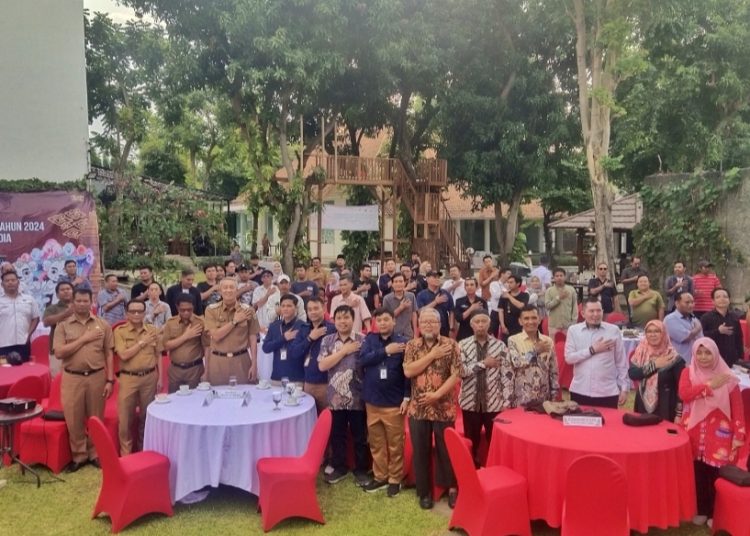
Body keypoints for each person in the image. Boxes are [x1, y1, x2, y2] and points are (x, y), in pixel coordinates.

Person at [679, 338, 747, 525]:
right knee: (697, 471)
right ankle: (701, 509)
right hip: (693, 431)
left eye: (707, 352)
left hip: (720, 434)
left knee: (717, 472)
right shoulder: (688, 372)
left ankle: (715, 512)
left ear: (715, 354)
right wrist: (709, 386)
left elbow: (737, 408)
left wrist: (739, 435)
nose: (703, 357)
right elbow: (684, 394)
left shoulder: (728, 377)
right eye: (699, 353)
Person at [403, 308, 461, 510]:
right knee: (421, 451)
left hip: (443, 407)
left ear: (439, 324)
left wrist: (437, 395)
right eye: (424, 321)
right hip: (418, 409)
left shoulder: (451, 345)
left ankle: (451, 488)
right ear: (418, 325)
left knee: (447, 450)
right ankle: (424, 491)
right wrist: (433, 355)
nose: (428, 325)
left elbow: (456, 375)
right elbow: (409, 371)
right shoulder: (412, 345)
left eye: (432, 322)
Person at [53, 288, 115, 472]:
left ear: (91, 301)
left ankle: (95, 453)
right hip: (72, 377)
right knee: (74, 418)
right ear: (72, 302)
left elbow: (109, 354)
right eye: (78, 301)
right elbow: (59, 352)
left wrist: (110, 380)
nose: (81, 304)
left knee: (96, 417)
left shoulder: (102, 325)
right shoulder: (63, 325)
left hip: (96, 376)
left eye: (85, 301)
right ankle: (79, 455)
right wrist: (84, 339)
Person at [359, 308, 409, 496]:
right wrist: (385, 351)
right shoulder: (370, 340)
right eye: (379, 320)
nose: (382, 323)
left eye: (386, 319)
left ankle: (395, 479)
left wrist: (407, 397)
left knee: (395, 443)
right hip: (372, 401)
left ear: (394, 321)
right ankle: (380, 476)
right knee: (376, 442)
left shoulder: (403, 343)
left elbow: (408, 374)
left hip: (394, 402)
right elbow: (362, 360)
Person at [318, 305, 369, 485]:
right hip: (335, 397)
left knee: (359, 435)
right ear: (334, 320)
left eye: (346, 317)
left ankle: (362, 469)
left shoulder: (363, 340)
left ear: (353, 319)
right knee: (337, 433)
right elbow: (323, 365)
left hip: (358, 396)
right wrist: (344, 351)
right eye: (339, 318)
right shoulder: (327, 341)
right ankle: (339, 466)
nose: (342, 321)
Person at [458, 310, 512, 467]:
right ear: (471, 324)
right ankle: (471, 471)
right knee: (470, 441)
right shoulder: (463, 345)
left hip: (494, 404)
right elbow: (461, 372)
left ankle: (495, 469)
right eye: (477, 322)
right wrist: (483, 364)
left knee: (494, 441)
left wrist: (505, 401)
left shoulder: (500, 345)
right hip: (470, 403)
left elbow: (506, 374)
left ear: (489, 324)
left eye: (484, 321)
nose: (480, 325)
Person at [114, 299, 163, 455]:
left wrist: (160, 377)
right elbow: (123, 355)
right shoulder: (120, 331)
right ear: (127, 313)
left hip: (149, 377)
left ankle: (144, 450)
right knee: (125, 419)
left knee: (146, 416)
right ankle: (126, 454)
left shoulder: (152, 330)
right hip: (128, 378)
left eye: (140, 311)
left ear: (144, 313)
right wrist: (142, 342)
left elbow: (159, 355)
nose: (136, 314)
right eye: (133, 311)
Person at [564, 297, 629, 408]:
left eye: (598, 311)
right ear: (583, 313)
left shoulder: (613, 330)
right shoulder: (573, 330)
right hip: (580, 390)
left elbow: (621, 362)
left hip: (607, 392)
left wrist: (624, 388)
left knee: (609, 424)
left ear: (603, 312)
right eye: (591, 311)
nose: (595, 314)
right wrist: (592, 350)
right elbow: (569, 358)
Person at [204, 278, 260, 385]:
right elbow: (215, 336)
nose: (228, 290)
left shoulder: (248, 310)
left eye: (231, 287)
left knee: (244, 395)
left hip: (241, 361)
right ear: (220, 291)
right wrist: (235, 321)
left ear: (237, 290)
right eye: (225, 288)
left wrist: (254, 364)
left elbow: (252, 338)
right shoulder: (211, 310)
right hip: (218, 362)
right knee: (218, 398)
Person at [627, 320, 685, 422]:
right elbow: (633, 374)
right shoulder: (641, 352)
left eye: (657, 331)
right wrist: (654, 365)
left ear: (663, 333)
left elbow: (681, 389)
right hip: (642, 405)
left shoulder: (674, 358)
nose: (652, 335)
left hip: (666, 407)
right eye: (649, 331)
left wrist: (679, 414)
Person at [289, 297, 336, 413]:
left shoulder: (332, 329)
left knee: (328, 420)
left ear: (324, 309)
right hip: (308, 383)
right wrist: (310, 338)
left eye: (316, 308)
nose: (313, 312)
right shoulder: (304, 329)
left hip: (327, 383)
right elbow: (294, 352)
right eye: (310, 309)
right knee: (310, 419)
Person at [509, 305, 559, 406]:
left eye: (534, 318)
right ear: (520, 321)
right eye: (526, 318)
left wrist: (554, 395)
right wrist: (535, 351)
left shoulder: (548, 341)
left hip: (544, 399)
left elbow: (554, 371)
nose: (531, 322)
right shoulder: (513, 340)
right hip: (522, 398)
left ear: (539, 320)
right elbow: (517, 363)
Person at [162, 295, 207, 393]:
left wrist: (207, 370)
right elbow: (165, 346)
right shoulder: (171, 323)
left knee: (194, 401)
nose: (186, 312)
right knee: (174, 401)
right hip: (175, 369)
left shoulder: (200, 322)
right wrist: (186, 336)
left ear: (193, 307)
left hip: (195, 369)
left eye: (189, 309)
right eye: (183, 310)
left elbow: (207, 347)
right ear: (177, 307)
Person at [262, 294, 306, 384]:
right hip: (277, 376)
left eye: (289, 306)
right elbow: (265, 348)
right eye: (283, 306)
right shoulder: (274, 325)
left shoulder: (302, 326)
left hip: (296, 378)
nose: (285, 309)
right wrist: (283, 338)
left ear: (296, 308)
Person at [0, 271, 40, 362]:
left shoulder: (29, 299)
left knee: (23, 370)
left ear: (18, 282)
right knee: (4, 372)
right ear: (2, 284)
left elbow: (36, 318)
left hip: (23, 343)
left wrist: (28, 335)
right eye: (7, 280)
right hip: (3, 344)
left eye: (13, 280)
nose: (10, 282)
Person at [700, 288, 744, 367]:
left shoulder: (734, 317)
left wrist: (741, 357)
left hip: (732, 359)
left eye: (725, 296)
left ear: (729, 300)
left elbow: (739, 338)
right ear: (713, 301)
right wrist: (718, 331)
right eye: (718, 297)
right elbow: (701, 337)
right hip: (713, 359)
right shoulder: (706, 317)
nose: (722, 299)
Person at [43, 281, 75, 377]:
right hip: (57, 351)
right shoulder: (52, 308)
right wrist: (66, 314)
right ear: (57, 295)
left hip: (78, 349)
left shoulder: (81, 306)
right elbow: (46, 322)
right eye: (62, 290)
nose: (66, 291)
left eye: (68, 289)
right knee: (57, 379)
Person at [252, 270, 278, 382]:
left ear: (272, 278)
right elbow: (257, 305)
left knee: (273, 354)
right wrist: (267, 294)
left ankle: (272, 376)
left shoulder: (277, 289)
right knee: (262, 352)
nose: (266, 278)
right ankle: (262, 377)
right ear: (261, 279)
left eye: (269, 276)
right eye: (264, 276)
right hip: (261, 325)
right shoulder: (258, 290)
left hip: (274, 325)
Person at [664, 292, 703, 364]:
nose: (691, 305)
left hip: (696, 361)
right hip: (679, 363)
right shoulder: (670, 319)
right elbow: (685, 338)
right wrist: (698, 328)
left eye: (692, 302)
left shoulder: (694, 319)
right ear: (677, 303)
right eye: (687, 302)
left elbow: (701, 340)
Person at [416, 270, 454, 337]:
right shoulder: (421, 295)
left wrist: (451, 328)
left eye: (438, 277)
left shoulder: (445, 293)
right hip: (427, 330)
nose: (437, 279)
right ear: (427, 279)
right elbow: (420, 312)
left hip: (444, 329)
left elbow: (451, 311)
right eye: (434, 277)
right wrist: (435, 302)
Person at [382, 273, 418, 339]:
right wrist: (401, 308)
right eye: (396, 282)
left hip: (408, 334)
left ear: (405, 283)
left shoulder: (411, 296)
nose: (398, 284)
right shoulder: (387, 298)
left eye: (401, 281)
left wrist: (415, 333)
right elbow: (386, 317)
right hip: (393, 334)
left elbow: (414, 314)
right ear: (392, 284)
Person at [545, 267, 578, 338]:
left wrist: (573, 322)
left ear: (565, 277)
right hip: (554, 325)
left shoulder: (571, 290)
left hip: (568, 325)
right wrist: (558, 298)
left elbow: (574, 306)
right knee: (553, 347)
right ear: (553, 278)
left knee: (568, 347)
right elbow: (547, 306)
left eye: (561, 275)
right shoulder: (549, 291)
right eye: (557, 276)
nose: (559, 278)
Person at [497, 274, 529, 339]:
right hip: (507, 327)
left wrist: (509, 296)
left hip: (520, 325)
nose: (509, 284)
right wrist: (502, 325)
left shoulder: (524, 295)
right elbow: (500, 311)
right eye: (508, 282)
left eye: (511, 282)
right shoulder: (503, 296)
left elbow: (521, 306)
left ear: (518, 283)